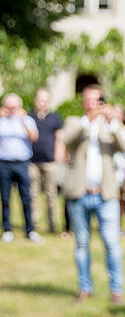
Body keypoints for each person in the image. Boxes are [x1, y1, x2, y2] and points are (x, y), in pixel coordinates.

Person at [61, 85, 125, 302]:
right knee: (81, 244)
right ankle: (85, 287)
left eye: (97, 100)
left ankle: (116, 290)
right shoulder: (75, 122)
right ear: (83, 102)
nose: (93, 104)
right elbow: (65, 138)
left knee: (111, 242)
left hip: (105, 194)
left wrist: (112, 121)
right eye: (89, 100)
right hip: (79, 193)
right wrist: (89, 121)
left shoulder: (109, 127)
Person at [0, 93, 41, 242]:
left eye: (14, 107)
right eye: (9, 107)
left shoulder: (27, 120)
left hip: (22, 163)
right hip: (4, 163)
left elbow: (34, 137)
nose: (11, 110)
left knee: (26, 197)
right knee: (5, 198)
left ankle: (30, 229)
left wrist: (22, 119)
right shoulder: (2, 121)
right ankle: (7, 229)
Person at [28, 89, 63, 235]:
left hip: (50, 161)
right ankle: (33, 223)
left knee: (51, 194)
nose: (41, 102)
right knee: (32, 194)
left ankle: (52, 224)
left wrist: (58, 157)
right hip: (32, 161)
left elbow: (59, 138)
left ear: (48, 101)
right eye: (39, 99)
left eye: (44, 100)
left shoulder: (55, 118)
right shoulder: (29, 117)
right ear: (35, 100)